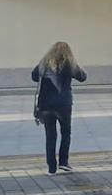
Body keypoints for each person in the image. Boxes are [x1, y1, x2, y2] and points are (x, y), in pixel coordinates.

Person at [31, 42, 87, 175]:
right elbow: (83, 77)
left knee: (50, 136)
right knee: (66, 133)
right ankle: (64, 162)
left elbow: (34, 77)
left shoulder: (44, 64)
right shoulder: (69, 64)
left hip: (46, 105)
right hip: (63, 105)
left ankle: (51, 168)